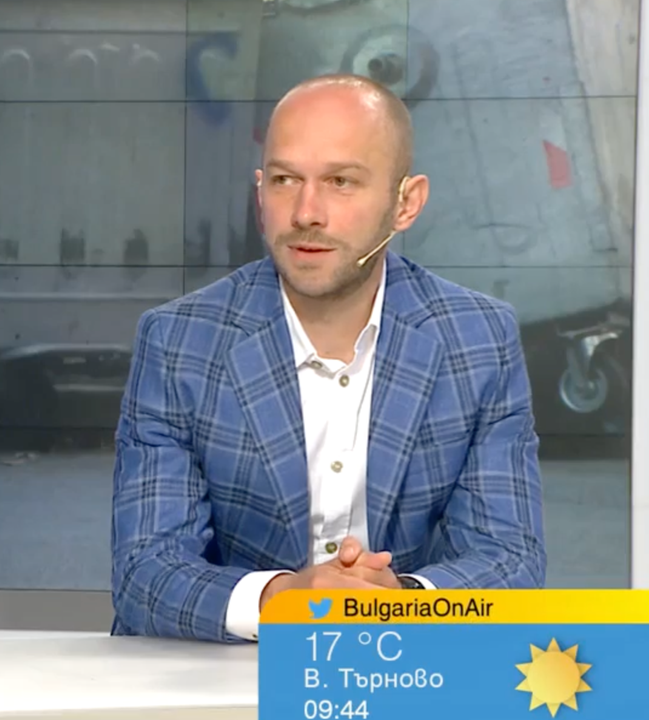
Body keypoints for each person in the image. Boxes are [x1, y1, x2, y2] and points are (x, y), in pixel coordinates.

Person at [110, 73, 545, 643]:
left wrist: (399, 602)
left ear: (406, 203)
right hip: (226, 668)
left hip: (402, 663)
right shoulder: (180, 341)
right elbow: (144, 572)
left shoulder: (478, 339)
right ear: (260, 193)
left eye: (341, 181)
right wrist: (281, 599)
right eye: (285, 180)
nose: (306, 212)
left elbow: (511, 560)